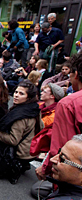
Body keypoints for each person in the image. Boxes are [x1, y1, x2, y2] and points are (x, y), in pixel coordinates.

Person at [0, 80, 43, 183]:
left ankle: (15, 163)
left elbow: (13, 140)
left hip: (20, 153)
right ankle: (24, 164)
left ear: (28, 97)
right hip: (31, 151)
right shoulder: (34, 109)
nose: (16, 95)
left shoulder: (20, 116)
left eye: (21, 94)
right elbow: (41, 128)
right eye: (16, 92)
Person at [37, 53, 82, 181]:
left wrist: (45, 168)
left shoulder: (69, 103)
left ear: (76, 74)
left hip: (73, 172)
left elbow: (62, 145)